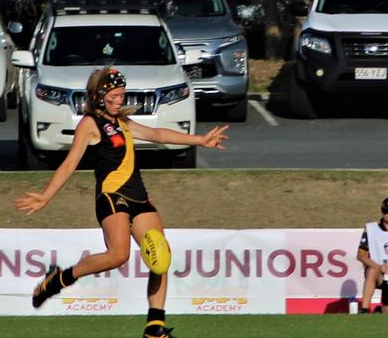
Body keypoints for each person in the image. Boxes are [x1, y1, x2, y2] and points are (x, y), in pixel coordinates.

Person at [15, 67, 229, 338]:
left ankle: (155, 327)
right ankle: (58, 279)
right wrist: (45, 196)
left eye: (122, 95)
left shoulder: (123, 122)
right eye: (114, 95)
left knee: (160, 257)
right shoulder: (90, 123)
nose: (120, 100)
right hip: (112, 197)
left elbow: (158, 135)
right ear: (99, 95)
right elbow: (69, 164)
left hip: (139, 196)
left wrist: (200, 140)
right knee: (118, 256)